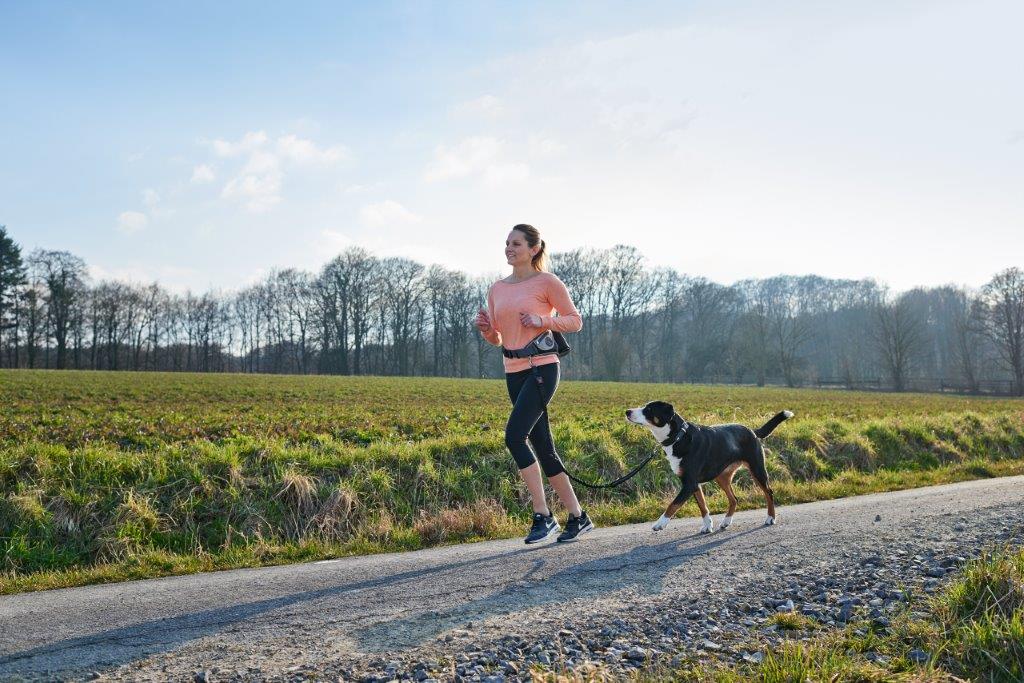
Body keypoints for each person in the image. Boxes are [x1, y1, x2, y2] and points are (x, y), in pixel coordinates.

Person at [474, 224, 594, 544]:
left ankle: (543, 515)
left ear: (534, 249)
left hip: (542, 366)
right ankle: (579, 517)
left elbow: (575, 321)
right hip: (513, 370)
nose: (509, 248)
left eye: (516, 243)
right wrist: (487, 330)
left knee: (515, 437)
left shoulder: (547, 282)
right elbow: (498, 337)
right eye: (506, 244)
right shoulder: (497, 288)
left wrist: (544, 321)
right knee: (543, 447)